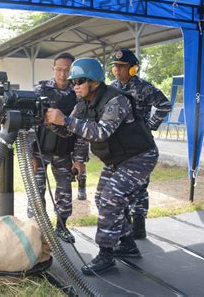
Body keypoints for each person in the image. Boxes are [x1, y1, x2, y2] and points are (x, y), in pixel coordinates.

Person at [45, 58, 158, 275]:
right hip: (118, 159)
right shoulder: (83, 103)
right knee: (101, 199)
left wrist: (65, 120)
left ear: (94, 81)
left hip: (139, 157)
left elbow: (100, 132)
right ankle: (126, 243)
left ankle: (106, 254)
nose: (74, 86)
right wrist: (50, 122)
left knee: (110, 199)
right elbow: (70, 131)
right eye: (73, 82)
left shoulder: (116, 101)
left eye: (78, 81)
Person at [109, 49, 172, 239]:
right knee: (121, 184)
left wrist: (150, 126)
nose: (118, 71)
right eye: (115, 67)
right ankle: (125, 221)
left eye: (122, 67)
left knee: (140, 185)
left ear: (133, 69)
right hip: (120, 145)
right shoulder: (112, 87)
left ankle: (139, 224)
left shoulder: (145, 87)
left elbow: (165, 105)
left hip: (140, 144)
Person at [27, 52, 88, 244]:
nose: (62, 74)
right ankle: (37, 230)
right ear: (53, 69)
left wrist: (79, 159)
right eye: (59, 69)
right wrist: (30, 154)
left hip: (64, 152)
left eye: (67, 70)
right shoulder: (40, 90)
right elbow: (29, 124)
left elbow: (82, 130)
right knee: (36, 191)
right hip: (40, 151)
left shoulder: (79, 94)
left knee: (64, 192)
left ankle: (62, 227)